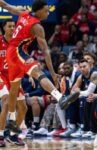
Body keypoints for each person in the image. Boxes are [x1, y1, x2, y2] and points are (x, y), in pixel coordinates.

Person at [0, 0, 79, 133]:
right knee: (37, 71)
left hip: (12, 55)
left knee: (14, 89)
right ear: (38, 10)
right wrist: (53, 73)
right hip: (17, 52)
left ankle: (12, 121)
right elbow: (46, 51)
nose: (48, 13)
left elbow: (6, 6)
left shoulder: (24, 14)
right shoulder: (37, 26)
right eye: (46, 10)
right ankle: (60, 98)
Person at [0, 19, 27, 147]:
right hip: (1, 75)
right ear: (4, 28)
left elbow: (22, 61)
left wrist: (29, 74)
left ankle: (12, 135)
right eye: (9, 26)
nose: (12, 28)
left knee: (23, 107)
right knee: (6, 102)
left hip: (14, 77)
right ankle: (0, 136)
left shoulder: (18, 43)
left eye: (14, 26)